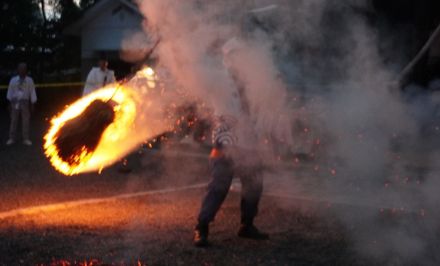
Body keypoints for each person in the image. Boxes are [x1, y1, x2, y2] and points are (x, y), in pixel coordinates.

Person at [193, 38, 268, 247]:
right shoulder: (218, 78)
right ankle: (202, 226)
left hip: (248, 141)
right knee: (219, 185)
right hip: (224, 141)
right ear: (227, 58)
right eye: (234, 56)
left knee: (254, 183)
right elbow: (198, 76)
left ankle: (247, 224)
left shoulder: (250, 81)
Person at [6, 63, 37, 146]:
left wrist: (32, 103)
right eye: (20, 69)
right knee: (13, 120)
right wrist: (9, 103)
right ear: (18, 70)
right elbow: (10, 91)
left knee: (26, 120)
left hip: (25, 102)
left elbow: (32, 92)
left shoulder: (30, 80)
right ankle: (11, 138)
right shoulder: (13, 80)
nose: (22, 70)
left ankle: (26, 138)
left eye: (24, 69)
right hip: (15, 101)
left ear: (26, 70)